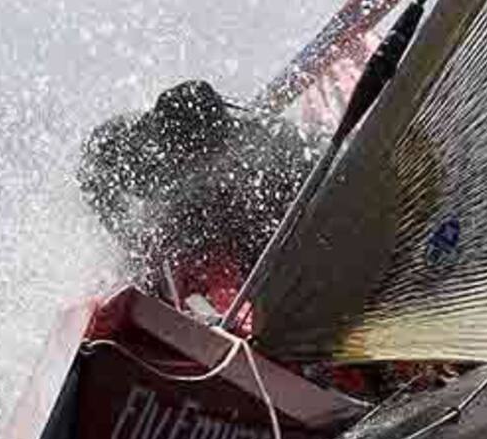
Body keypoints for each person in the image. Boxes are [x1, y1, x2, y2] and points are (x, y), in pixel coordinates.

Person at [78, 80, 318, 315]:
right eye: (188, 157)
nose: (197, 163)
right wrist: (127, 237)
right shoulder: (128, 150)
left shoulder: (267, 145)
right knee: (151, 253)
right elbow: (91, 172)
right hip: (182, 218)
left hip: (246, 218)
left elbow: (313, 172)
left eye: (206, 155)